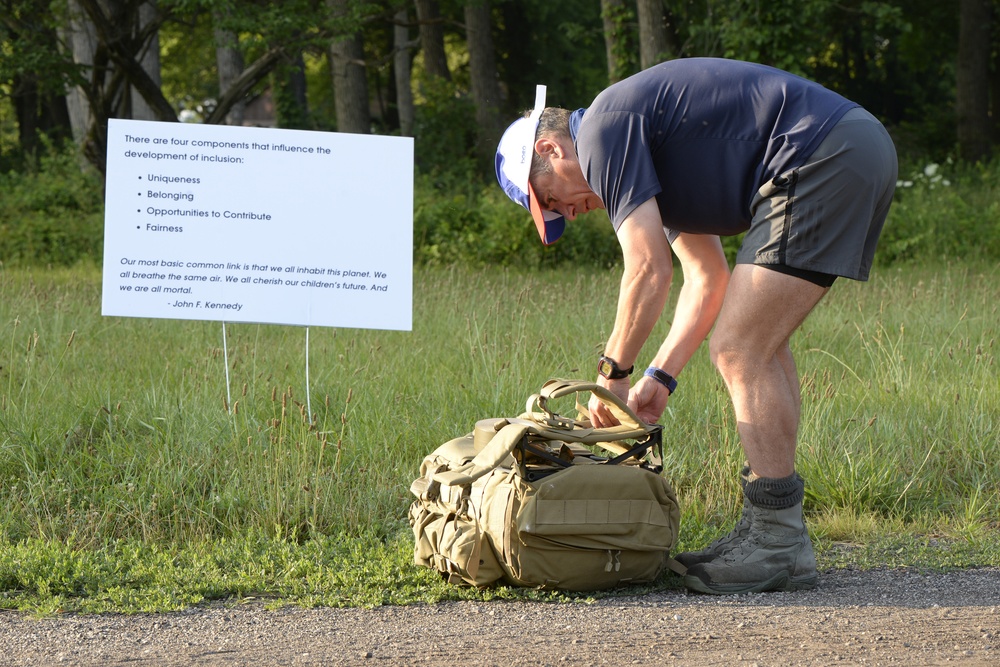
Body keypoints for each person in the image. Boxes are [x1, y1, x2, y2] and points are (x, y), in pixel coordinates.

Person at [495, 58, 897, 595]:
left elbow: (646, 268)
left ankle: (776, 539)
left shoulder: (601, 131)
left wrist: (612, 374)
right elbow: (706, 278)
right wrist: (660, 378)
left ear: (551, 150)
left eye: (549, 199)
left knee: (738, 349)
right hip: (842, 146)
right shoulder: (645, 154)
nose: (568, 211)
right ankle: (778, 533)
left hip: (820, 153)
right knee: (759, 343)